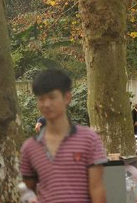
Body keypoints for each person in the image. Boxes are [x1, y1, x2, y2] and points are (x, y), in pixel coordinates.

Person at [20, 69, 107, 203]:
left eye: (52, 97)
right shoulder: (30, 147)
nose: (46, 104)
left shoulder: (89, 139)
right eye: (41, 99)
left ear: (67, 97)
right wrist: (29, 198)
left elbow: (97, 188)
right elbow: (26, 189)